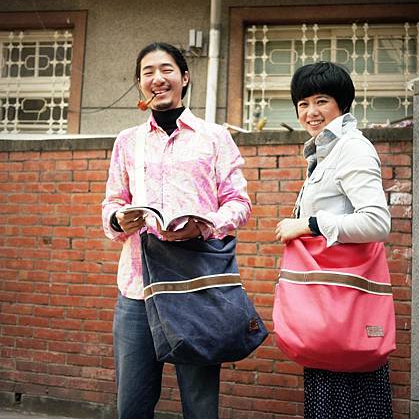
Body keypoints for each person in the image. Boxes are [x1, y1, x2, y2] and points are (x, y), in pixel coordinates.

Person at [102, 42, 251, 419]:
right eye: (148, 72)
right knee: (132, 406)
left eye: (166, 69)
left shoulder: (214, 137)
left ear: (184, 77)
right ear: (139, 83)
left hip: (196, 286)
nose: (157, 78)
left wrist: (207, 225)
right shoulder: (127, 141)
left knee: (200, 406)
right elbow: (112, 201)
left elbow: (239, 202)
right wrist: (118, 220)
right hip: (137, 289)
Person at [275, 61, 393, 418]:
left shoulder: (351, 148)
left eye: (321, 101)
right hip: (329, 309)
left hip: (342, 310)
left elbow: (376, 222)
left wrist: (308, 224)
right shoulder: (324, 152)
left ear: (341, 103)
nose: (310, 112)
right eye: (303, 103)